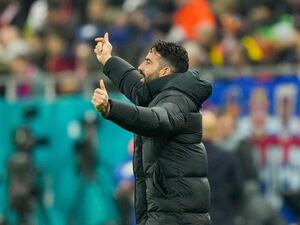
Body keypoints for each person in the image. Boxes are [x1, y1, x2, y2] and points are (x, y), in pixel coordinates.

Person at [91, 32, 212, 225]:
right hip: (165, 213)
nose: (140, 67)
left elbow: (157, 120)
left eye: (148, 62)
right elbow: (136, 86)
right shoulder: (158, 94)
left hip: (176, 217)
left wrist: (110, 108)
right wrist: (107, 59)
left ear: (164, 72)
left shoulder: (178, 100)